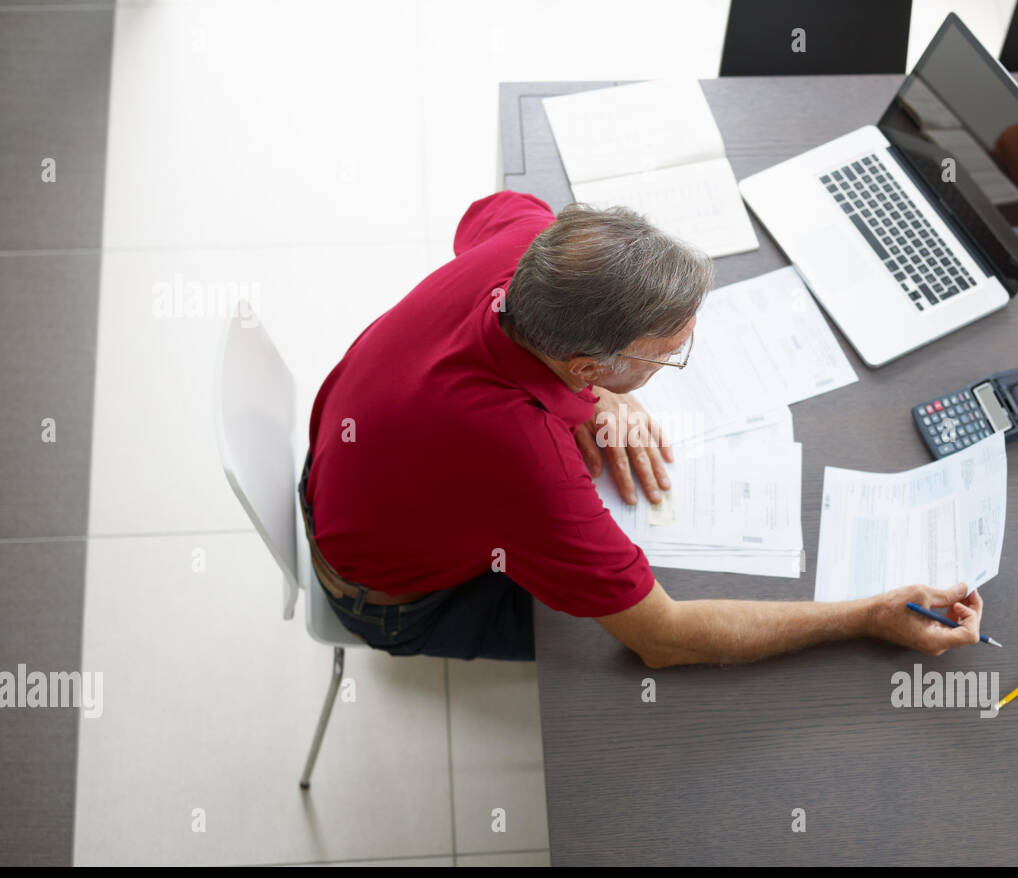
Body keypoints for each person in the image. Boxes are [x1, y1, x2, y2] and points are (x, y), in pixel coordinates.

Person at [301, 190, 983, 665]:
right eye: (668, 351)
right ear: (583, 361)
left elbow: (486, 208)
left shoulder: (528, 248)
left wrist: (596, 395)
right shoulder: (524, 460)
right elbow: (664, 636)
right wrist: (866, 616)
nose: (675, 358)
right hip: (390, 595)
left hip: (350, 476)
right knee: (601, 660)